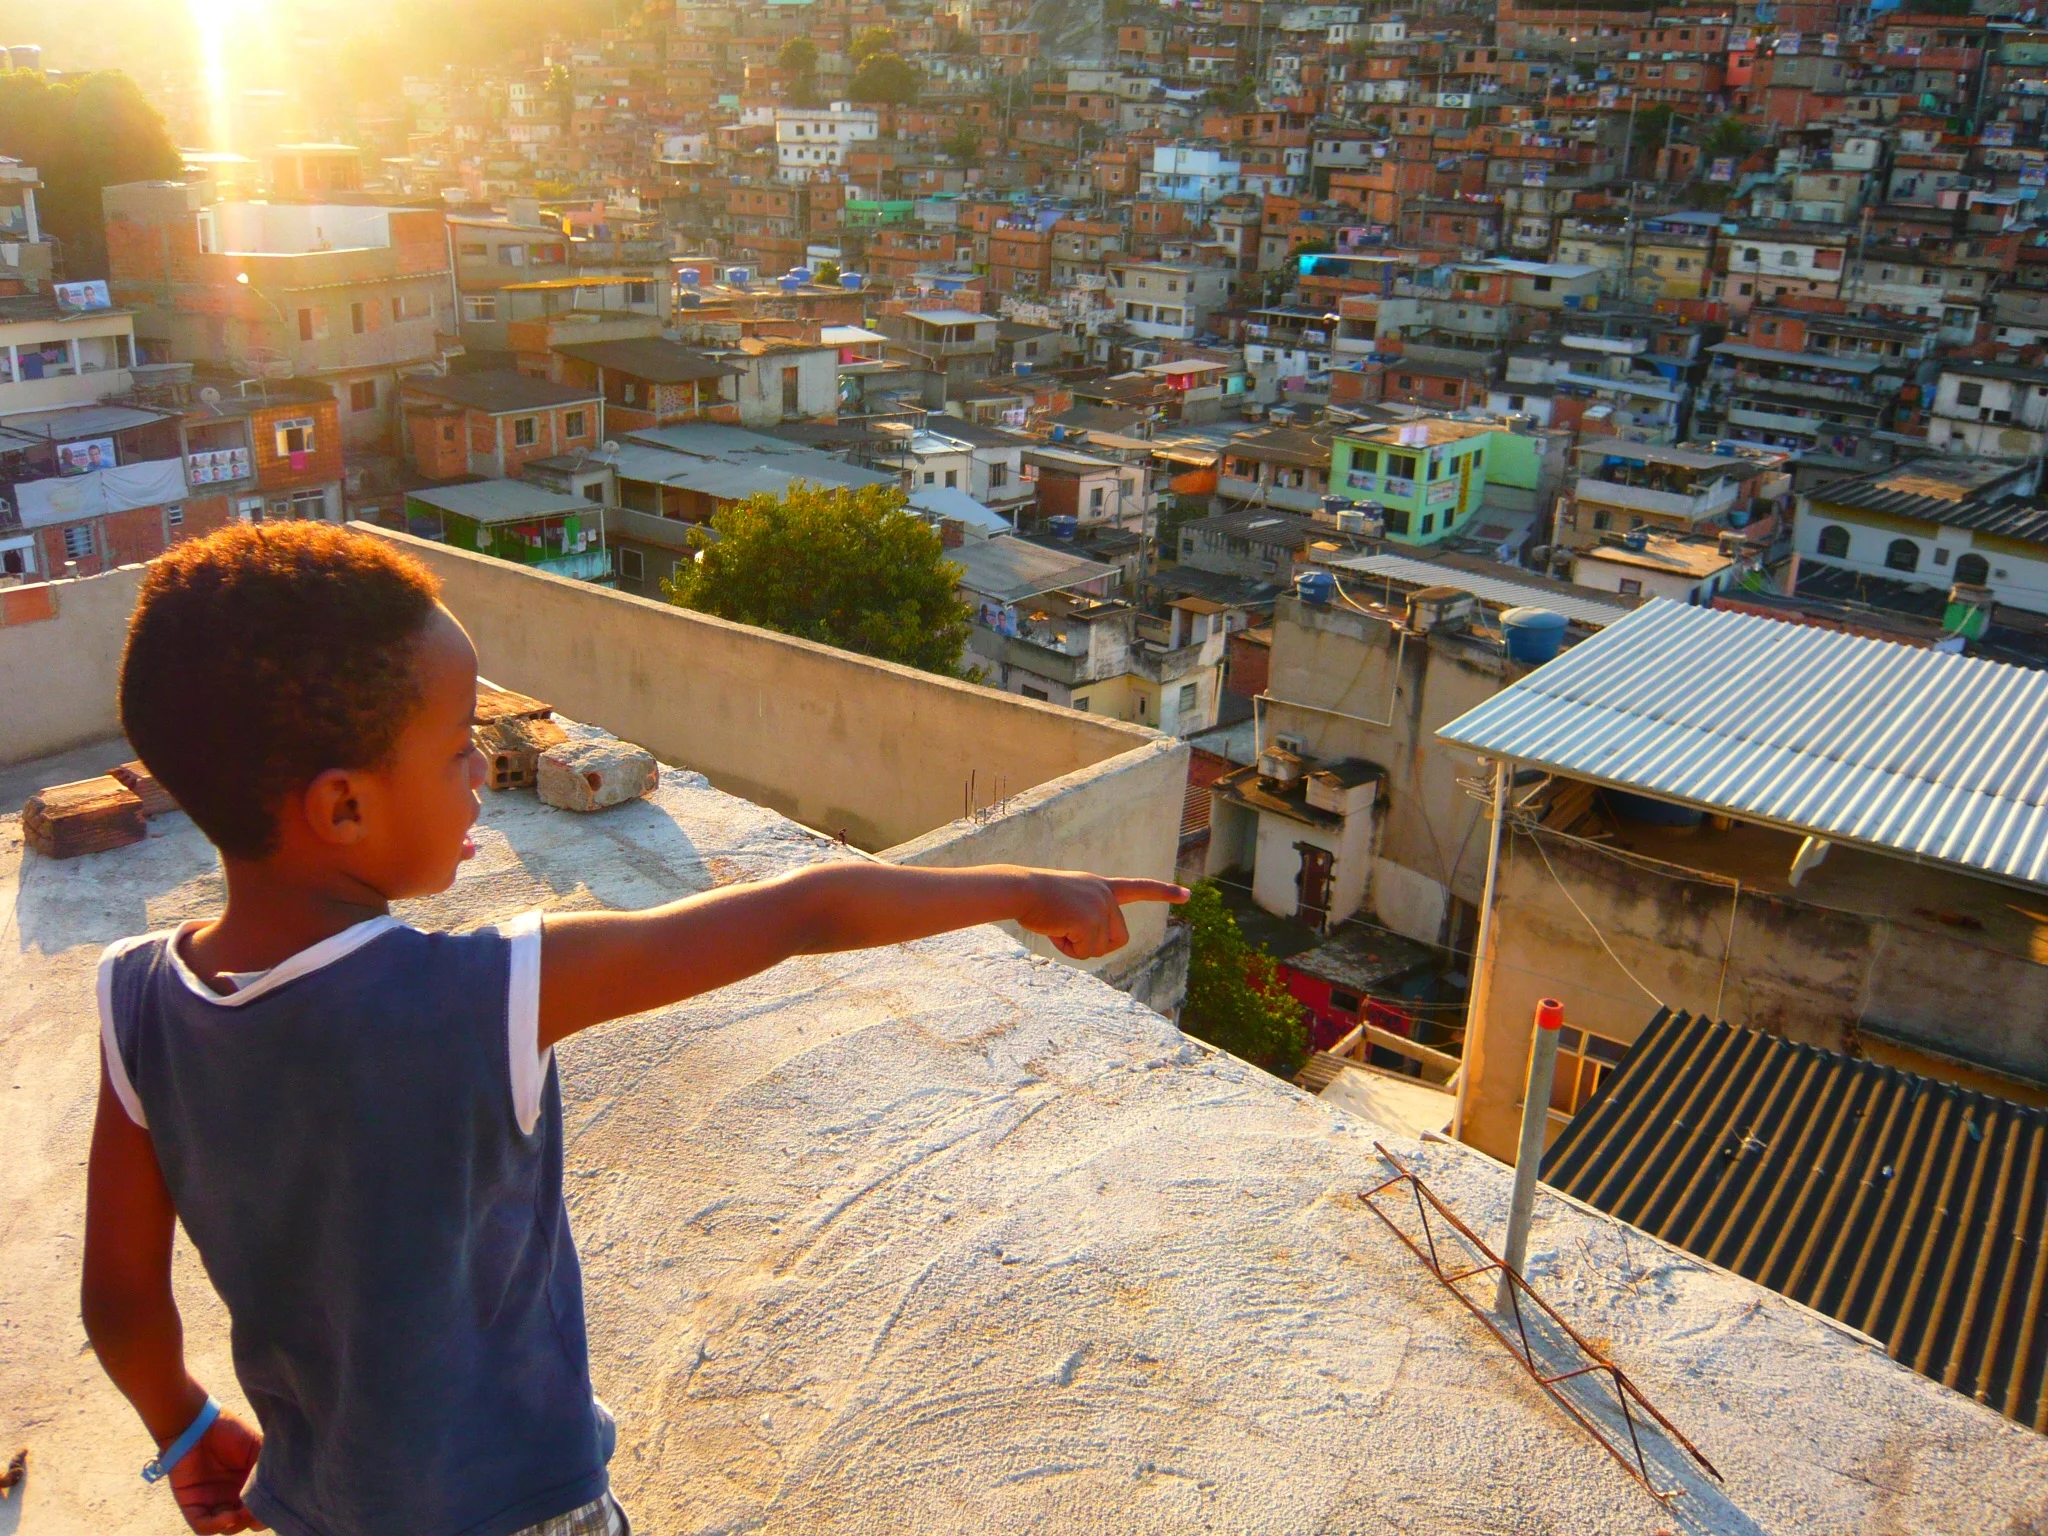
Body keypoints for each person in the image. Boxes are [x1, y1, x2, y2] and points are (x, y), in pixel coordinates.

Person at [82, 523, 1184, 1536]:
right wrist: (1030, 885)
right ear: (342, 810)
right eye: (456, 749)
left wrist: (182, 1424)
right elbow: (801, 911)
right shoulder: (484, 995)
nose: (480, 775)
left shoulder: (136, 1000)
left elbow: (121, 1302)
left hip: (318, 1508)